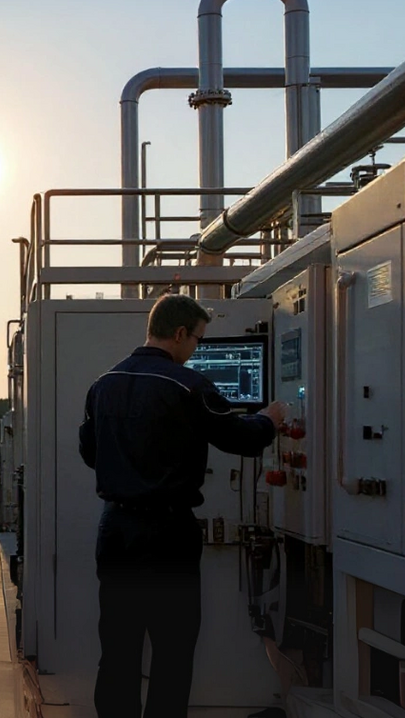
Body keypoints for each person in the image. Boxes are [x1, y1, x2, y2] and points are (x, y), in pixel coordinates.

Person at [78, 293, 285, 718]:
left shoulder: (103, 384)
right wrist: (272, 419)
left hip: (115, 531)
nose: (196, 350)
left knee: (118, 646)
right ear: (179, 333)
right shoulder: (188, 385)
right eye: (197, 340)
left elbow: (90, 452)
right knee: (172, 649)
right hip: (167, 535)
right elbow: (239, 438)